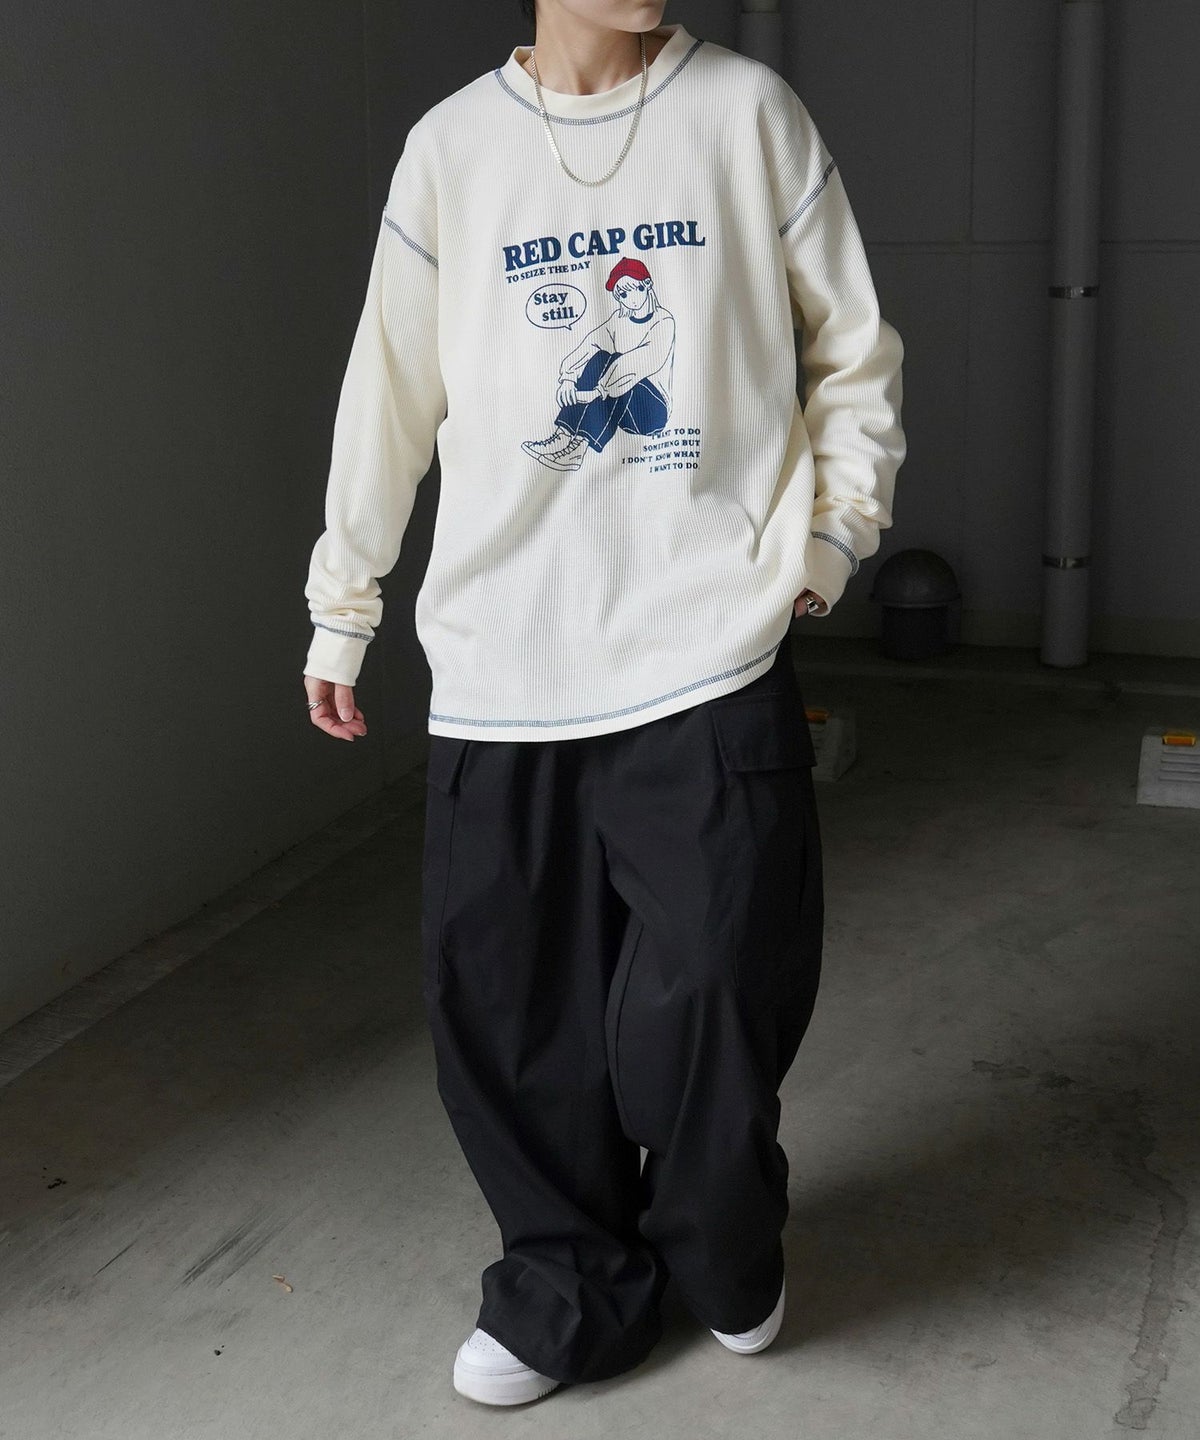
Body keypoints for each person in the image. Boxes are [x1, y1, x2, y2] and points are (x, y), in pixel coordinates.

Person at [301, 0, 905, 1408]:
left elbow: (856, 350)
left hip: (704, 649)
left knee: (720, 985)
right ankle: (568, 1281)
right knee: (511, 1011)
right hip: (502, 663)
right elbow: (387, 391)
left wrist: (830, 539)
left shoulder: (745, 115)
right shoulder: (451, 150)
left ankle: (719, 1240)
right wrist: (346, 599)